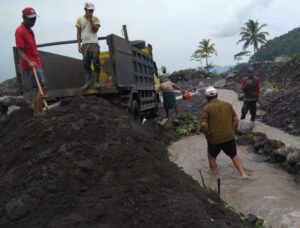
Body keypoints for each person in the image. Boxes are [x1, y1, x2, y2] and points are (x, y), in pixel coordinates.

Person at [200, 86, 249, 179]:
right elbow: (236, 119)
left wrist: (207, 135)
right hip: (229, 136)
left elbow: (203, 125)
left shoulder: (206, 108)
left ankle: (214, 176)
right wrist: (231, 129)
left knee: (211, 157)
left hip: (214, 139)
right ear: (217, 95)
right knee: (234, 156)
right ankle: (243, 174)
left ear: (206, 97)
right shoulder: (227, 104)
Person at [15, 7, 47, 116]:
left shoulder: (29, 29)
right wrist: (29, 62)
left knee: (38, 89)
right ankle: (38, 113)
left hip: (36, 62)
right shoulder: (20, 31)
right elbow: (20, 50)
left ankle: (36, 112)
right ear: (24, 18)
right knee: (42, 87)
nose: (34, 21)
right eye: (31, 19)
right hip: (30, 65)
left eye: (34, 19)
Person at [76, 2, 101, 90]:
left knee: (96, 61)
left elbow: (95, 30)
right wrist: (79, 45)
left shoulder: (95, 19)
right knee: (86, 63)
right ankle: (88, 82)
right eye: (89, 10)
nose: (91, 12)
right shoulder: (79, 19)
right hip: (85, 44)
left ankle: (97, 82)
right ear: (85, 10)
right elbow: (78, 33)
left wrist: (91, 20)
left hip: (94, 43)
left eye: (92, 11)